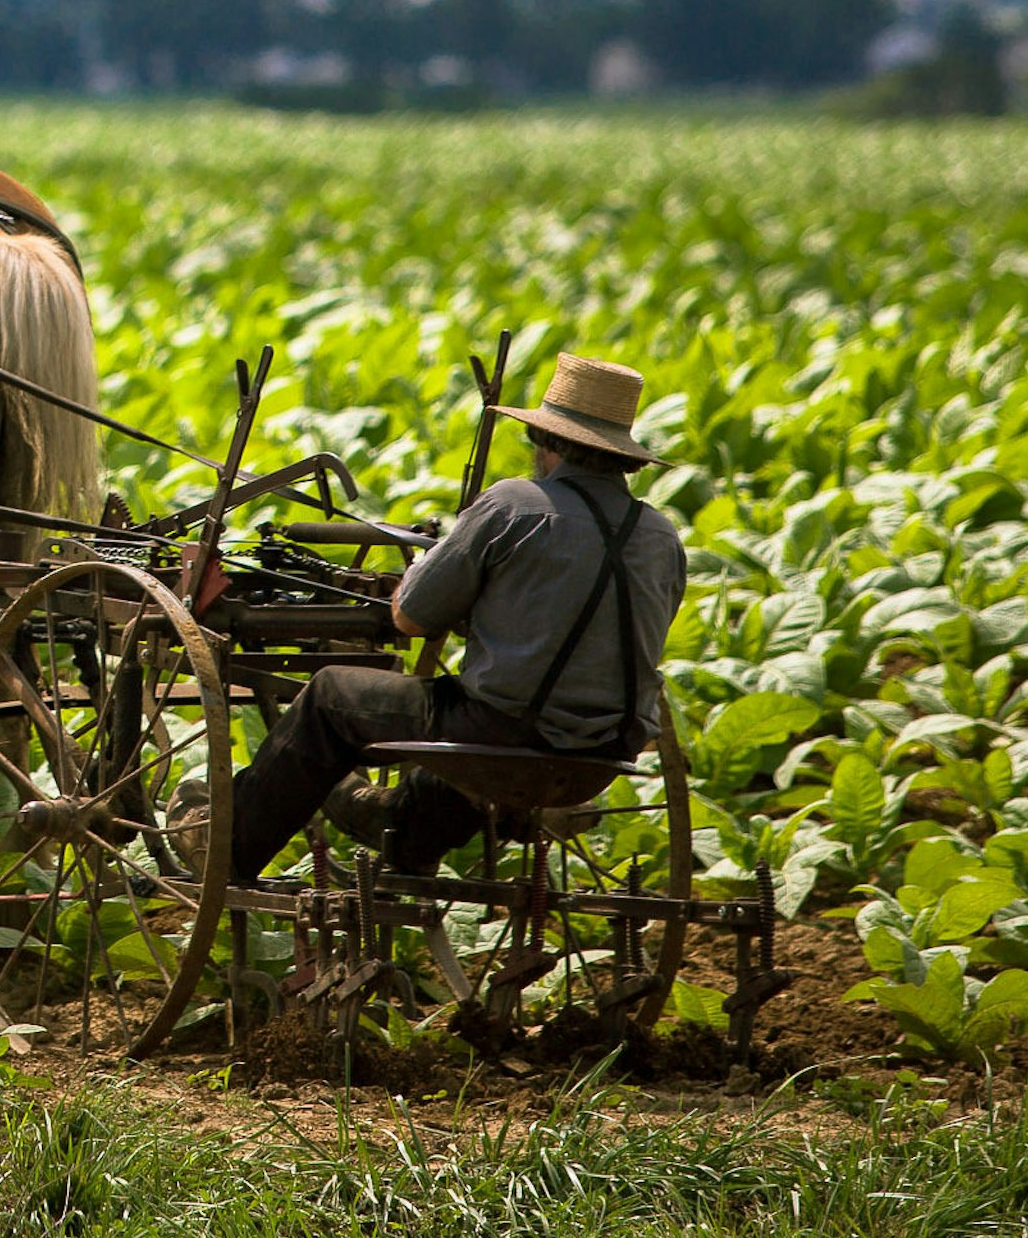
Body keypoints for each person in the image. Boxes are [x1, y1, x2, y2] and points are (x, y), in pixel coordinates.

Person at [227, 353, 688, 883]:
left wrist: (427, 570)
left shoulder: (513, 506)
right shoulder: (661, 535)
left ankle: (231, 851)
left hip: (505, 733)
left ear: (550, 443)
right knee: (477, 729)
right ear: (622, 457)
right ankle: (401, 832)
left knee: (333, 695)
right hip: (607, 751)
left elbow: (410, 618)